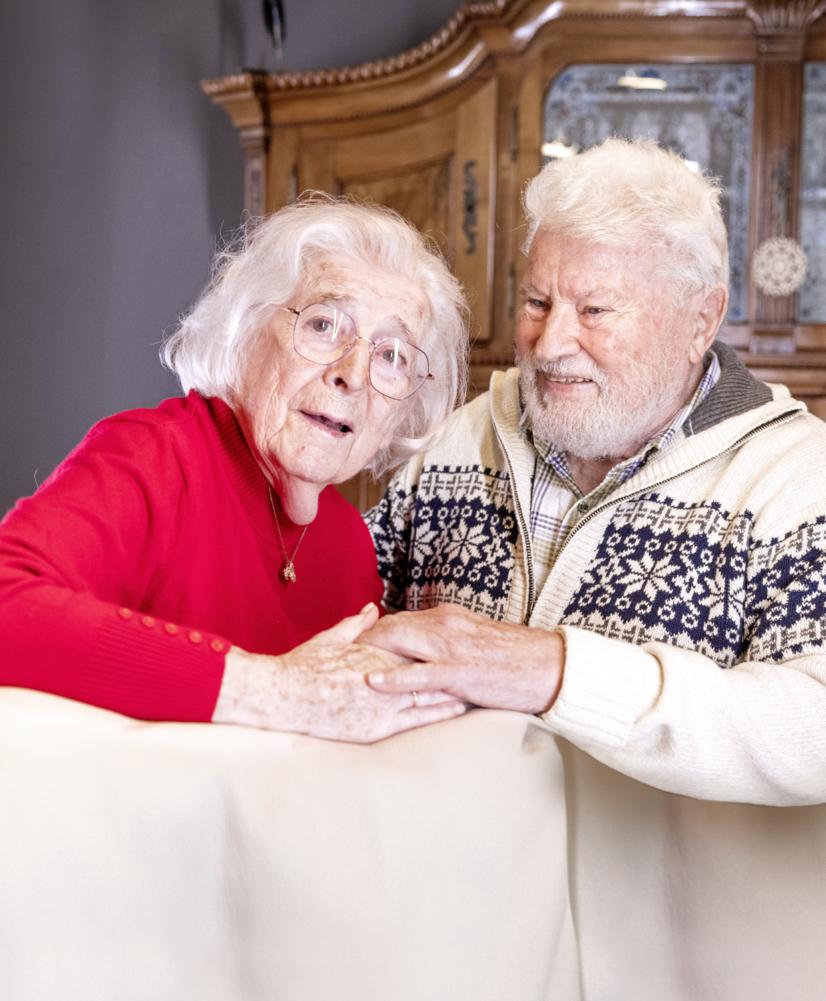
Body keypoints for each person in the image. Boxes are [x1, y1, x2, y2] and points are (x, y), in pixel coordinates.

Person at [361, 139, 826, 997]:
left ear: (701, 318)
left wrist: (558, 670)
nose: (549, 343)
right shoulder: (463, 435)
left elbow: (815, 725)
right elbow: (351, 608)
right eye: (537, 301)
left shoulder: (799, 479)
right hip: (457, 950)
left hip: (693, 973)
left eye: (597, 309)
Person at [0, 195, 469, 742]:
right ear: (244, 333)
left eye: (392, 356)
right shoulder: (154, 458)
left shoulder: (347, 545)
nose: (354, 374)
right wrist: (276, 690)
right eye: (324, 324)